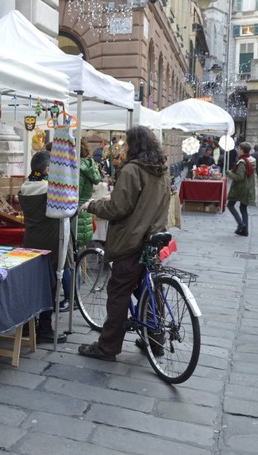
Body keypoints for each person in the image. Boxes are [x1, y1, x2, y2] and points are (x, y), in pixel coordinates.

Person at [77, 126, 170, 362]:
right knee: (150, 290)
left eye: (127, 143)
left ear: (135, 144)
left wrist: (93, 206)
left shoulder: (132, 169)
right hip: (153, 238)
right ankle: (155, 338)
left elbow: (119, 208)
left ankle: (107, 347)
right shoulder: (160, 170)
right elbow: (140, 201)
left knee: (118, 292)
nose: (124, 147)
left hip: (131, 241)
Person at [18, 150, 68, 343]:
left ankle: (25, 325)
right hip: (50, 242)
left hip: (30, 240)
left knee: (31, 285)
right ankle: (45, 327)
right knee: (50, 285)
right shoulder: (50, 190)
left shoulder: (25, 187)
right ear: (48, 169)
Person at [225, 141, 256, 237]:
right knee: (243, 208)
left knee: (230, 205)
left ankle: (241, 224)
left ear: (242, 150)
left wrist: (229, 173)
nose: (238, 150)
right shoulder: (252, 160)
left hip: (240, 188)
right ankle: (245, 231)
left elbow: (239, 177)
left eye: (239, 149)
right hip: (248, 188)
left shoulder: (242, 162)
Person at [76, 138, 102, 249]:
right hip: (85, 213)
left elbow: (76, 193)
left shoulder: (79, 169)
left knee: (75, 252)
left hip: (78, 213)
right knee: (82, 251)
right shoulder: (89, 166)